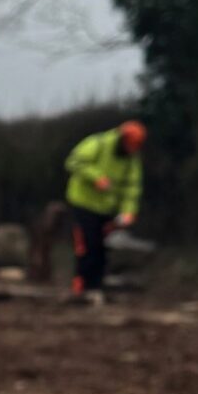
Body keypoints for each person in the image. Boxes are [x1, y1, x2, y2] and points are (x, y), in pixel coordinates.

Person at [63, 119, 146, 304]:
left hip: (106, 209)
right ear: (122, 138)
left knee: (101, 249)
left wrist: (128, 212)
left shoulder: (132, 160)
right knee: (87, 246)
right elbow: (73, 161)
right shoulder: (98, 143)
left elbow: (132, 188)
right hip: (83, 202)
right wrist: (96, 178)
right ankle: (81, 288)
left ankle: (96, 288)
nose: (132, 150)